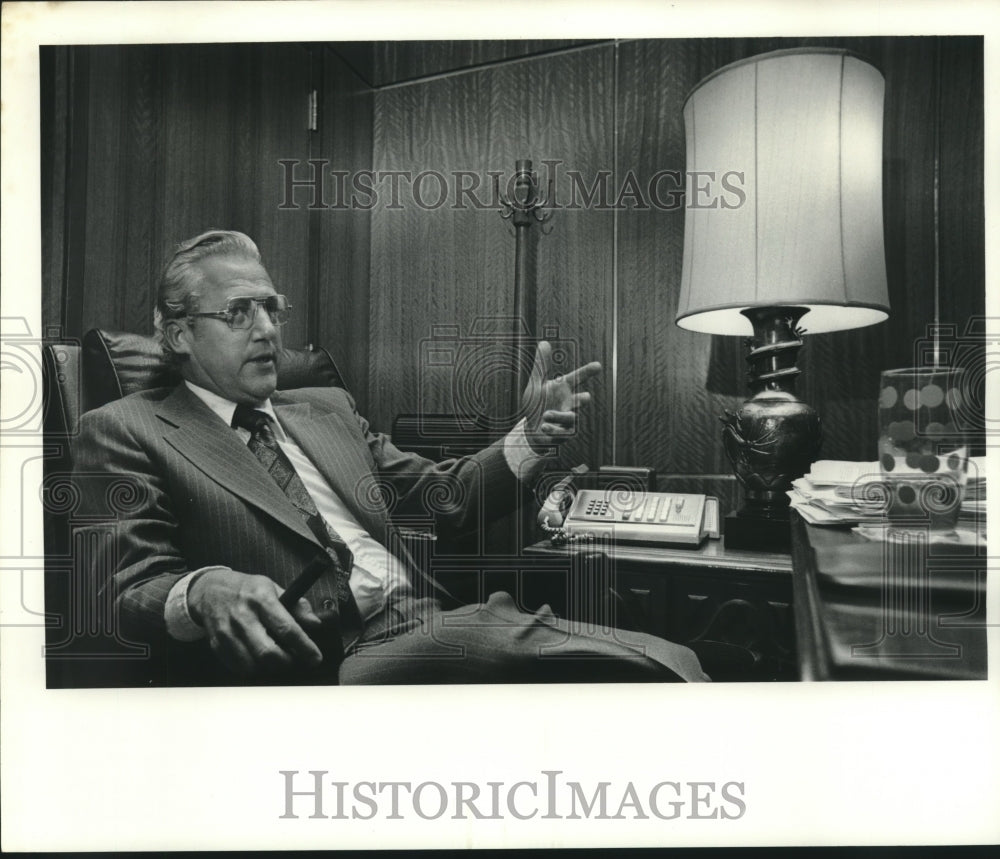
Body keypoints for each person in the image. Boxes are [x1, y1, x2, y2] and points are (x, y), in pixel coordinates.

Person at [74, 230, 708, 684]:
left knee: (650, 656)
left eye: (271, 307)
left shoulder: (323, 408)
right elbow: (122, 588)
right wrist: (206, 589)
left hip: (430, 619)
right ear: (180, 333)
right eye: (238, 312)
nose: (267, 329)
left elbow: (446, 497)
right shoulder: (124, 429)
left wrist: (532, 437)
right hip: (335, 654)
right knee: (657, 668)